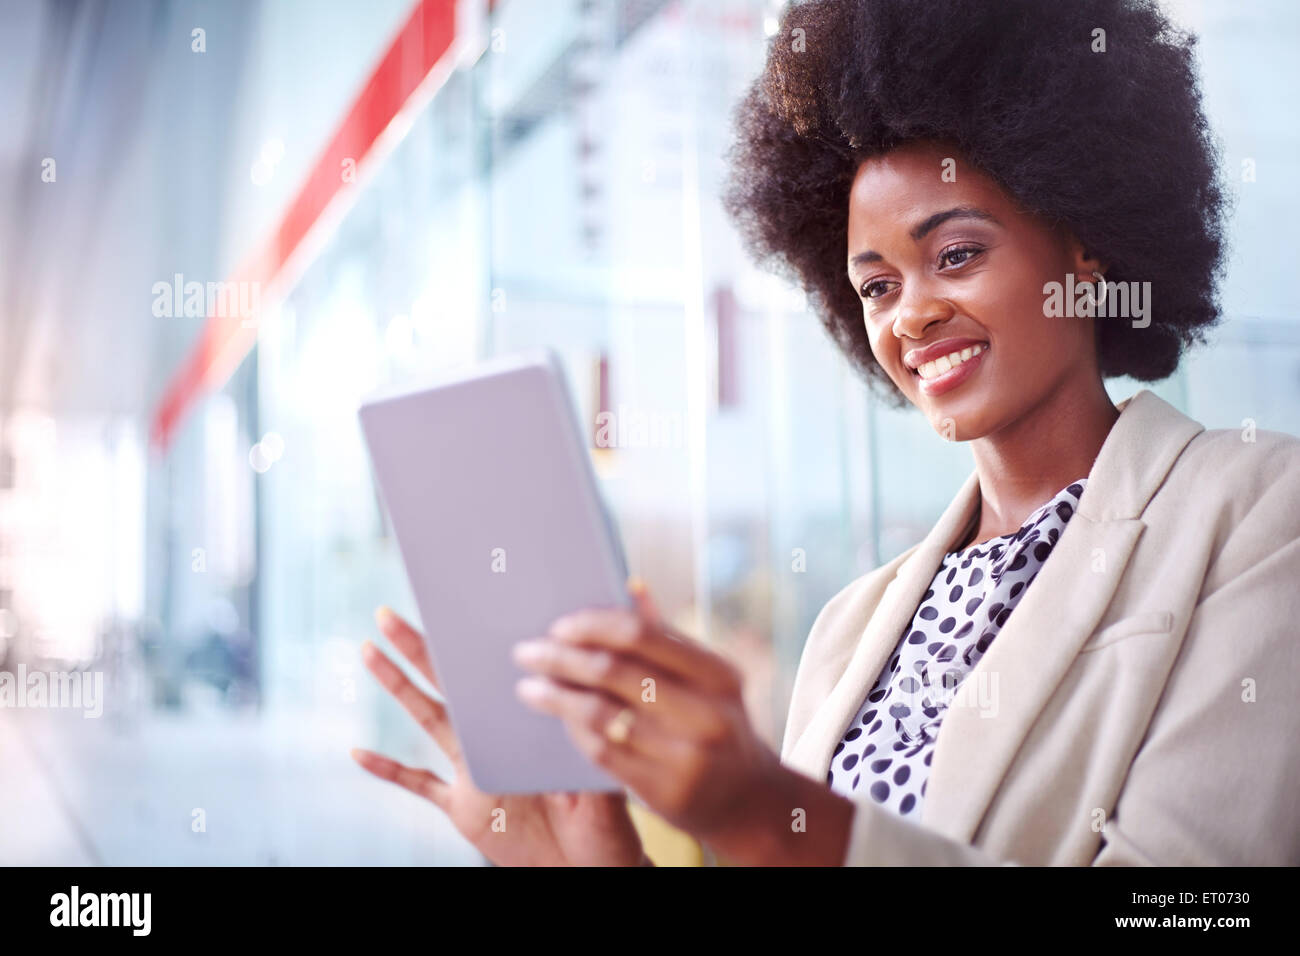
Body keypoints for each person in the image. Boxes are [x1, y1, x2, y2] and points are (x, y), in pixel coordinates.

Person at [351, 0, 1300, 865]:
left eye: (957, 254)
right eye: (877, 285)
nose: (911, 316)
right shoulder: (852, 630)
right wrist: (590, 856)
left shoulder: (1255, 511)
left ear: (1086, 244)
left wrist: (759, 812)